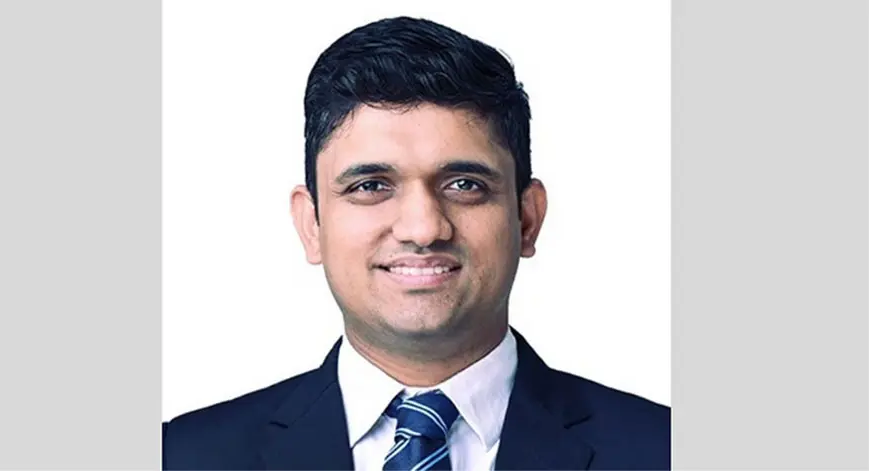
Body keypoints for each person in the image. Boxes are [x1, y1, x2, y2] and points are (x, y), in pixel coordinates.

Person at [162, 15, 670, 471]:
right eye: (371, 186)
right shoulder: (177, 458)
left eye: (464, 185)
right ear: (311, 224)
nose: (423, 229)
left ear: (527, 219)